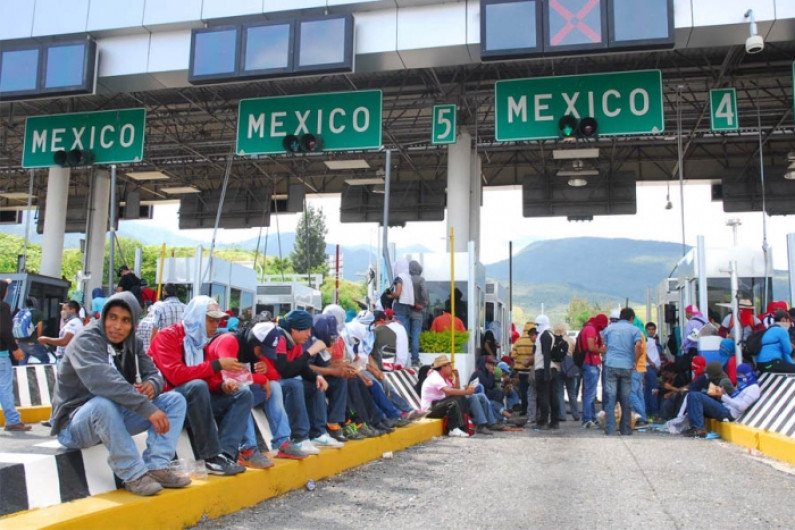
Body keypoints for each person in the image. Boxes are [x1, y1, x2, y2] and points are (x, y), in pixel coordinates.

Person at [49, 292, 189, 496]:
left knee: (174, 401)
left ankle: (157, 467)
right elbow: (105, 382)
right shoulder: (86, 340)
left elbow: (154, 372)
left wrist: (153, 384)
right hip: (74, 425)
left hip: (114, 418)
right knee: (102, 404)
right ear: (103, 316)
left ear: (133, 324)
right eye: (112, 317)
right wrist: (147, 409)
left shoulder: (133, 342)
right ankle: (133, 475)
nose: (117, 326)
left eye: (125, 320)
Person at [148, 295, 251, 476]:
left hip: (195, 403)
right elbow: (177, 375)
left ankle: (225, 454)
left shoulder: (201, 342)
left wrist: (222, 386)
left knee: (243, 394)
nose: (215, 325)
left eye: (217, 321)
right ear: (196, 317)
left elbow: (208, 379)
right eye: (211, 320)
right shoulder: (167, 336)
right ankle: (210, 457)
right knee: (197, 386)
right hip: (168, 404)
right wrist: (217, 365)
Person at [682, 363, 761, 437]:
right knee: (694, 395)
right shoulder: (744, 385)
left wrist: (723, 396)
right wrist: (723, 393)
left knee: (695, 396)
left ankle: (699, 429)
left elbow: (742, 406)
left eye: (740, 374)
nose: (738, 376)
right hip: (725, 407)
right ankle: (694, 426)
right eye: (737, 374)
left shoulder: (753, 388)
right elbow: (734, 400)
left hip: (729, 412)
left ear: (748, 374)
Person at [601, 308, 643, 436]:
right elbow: (639, 347)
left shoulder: (609, 329)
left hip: (611, 365)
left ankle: (610, 428)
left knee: (611, 398)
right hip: (627, 366)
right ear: (631, 318)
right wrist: (634, 362)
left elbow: (605, 346)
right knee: (626, 398)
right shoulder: (635, 330)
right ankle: (626, 429)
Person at [1, 280, 30, 431]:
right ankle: (12, 420)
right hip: (1, 355)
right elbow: (5, 331)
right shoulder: (3, 307)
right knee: (4, 387)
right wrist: (15, 348)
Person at [420, 355, 471, 438]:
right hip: (429, 409)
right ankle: (453, 429)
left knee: (461, 398)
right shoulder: (435, 377)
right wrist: (466, 392)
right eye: (449, 365)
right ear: (443, 367)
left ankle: (463, 427)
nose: (451, 367)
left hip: (438, 405)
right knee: (454, 401)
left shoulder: (444, 378)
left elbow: (455, 390)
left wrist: (457, 376)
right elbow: (448, 391)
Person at [580, 314, 608, 429]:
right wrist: (602, 350)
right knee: (590, 393)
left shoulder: (589, 328)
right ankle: (587, 419)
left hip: (589, 363)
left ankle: (591, 417)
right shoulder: (591, 329)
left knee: (590, 393)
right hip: (590, 363)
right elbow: (591, 347)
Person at [533, 315, 560, 430]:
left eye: (538, 324)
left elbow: (546, 354)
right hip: (552, 369)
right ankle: (554, 421)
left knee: (543, 396)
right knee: (553, 396)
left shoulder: (544, 335)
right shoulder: (550, 334)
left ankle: (543, 421)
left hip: (544, 369)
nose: (536, 327)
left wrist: (546, 373)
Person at [553, 322, 580, 422]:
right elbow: (576, 354)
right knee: (572, 393)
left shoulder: (554, 342)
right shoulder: (571, 341)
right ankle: (576, 414)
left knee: (560, 392)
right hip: (570, 369)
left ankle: (562, 414)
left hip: (558, 368)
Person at [12, 295, 50, 364]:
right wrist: (40, 340)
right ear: (35, 303)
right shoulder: (38, 313)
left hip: (20, 343)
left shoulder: (20, 312)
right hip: (32, 343)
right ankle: (40, 371)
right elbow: (39, 329)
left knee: (22, 363)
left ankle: (22, 371)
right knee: (45, 359)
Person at [511, 323, 537, 424]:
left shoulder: (519, 340)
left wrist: (520, 358)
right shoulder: (535, 340)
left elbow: (513, 355)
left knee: (523, 390)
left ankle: (524, 408)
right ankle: (532, 410)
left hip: (521, 370)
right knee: (532, 392)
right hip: (532, 370)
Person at [407, 260, 428, 368]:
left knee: (405, 335)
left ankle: (403, 358)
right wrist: (424, 304)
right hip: (417, 311)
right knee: (416, 336)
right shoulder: (421, 280)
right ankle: (415, 360)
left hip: (406, 311)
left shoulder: (406, 279)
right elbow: (424, 294)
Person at [629, 317, 648, 427]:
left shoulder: (637, 334)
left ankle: (642, 416)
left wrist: (633, 363)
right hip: (641, 368)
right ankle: (642, 418)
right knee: (639, 395)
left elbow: (639, 349)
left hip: (636, 368)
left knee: (631, 394)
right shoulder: (641, 333)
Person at [388, 258, 414, 332]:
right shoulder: (409, 278)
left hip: (400, 306)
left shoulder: (399, 278)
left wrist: (390, 296)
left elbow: (397, 294)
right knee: (405, 329)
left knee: (398, 328)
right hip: (408, 306)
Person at [644, 321, 662, 419]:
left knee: (649, 389)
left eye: (653, 329)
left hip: (654, 368)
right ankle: (653, 411)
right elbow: (643, 352)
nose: (651, 331)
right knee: (653, 390)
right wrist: (650, 362)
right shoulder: (646, 340)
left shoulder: (654, 340)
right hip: (649, 367)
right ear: (646, 330)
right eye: (649, 329)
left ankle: (649, 411)